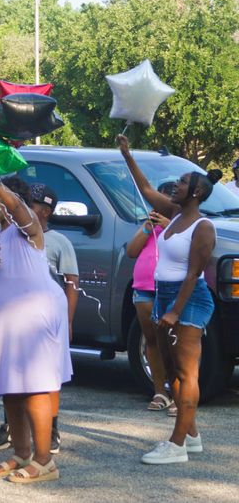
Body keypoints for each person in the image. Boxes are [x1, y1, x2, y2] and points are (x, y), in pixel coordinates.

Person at [117, 135, 219, 464]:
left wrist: (175, 311)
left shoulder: (203, 227)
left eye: (183, 182)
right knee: (172, 368)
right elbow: (146, 189)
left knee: (187, 373)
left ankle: (176, 446)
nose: (176, 184)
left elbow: (193, 274)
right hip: (163, 296)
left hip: (186, 301)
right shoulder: (174, 215)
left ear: (197, 193)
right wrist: (127, 154)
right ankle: (191, 436)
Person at [0, 177, 71, 484]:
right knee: (11, 388)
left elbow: (18, 208)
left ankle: (45, 461)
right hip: (6, 322)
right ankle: (22, 452)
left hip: (34, 316)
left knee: (35, 387)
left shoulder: (28, 226)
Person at [125, 183, 174, 412]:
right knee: (152, 341)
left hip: (169, 289)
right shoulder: (149, 227)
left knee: (174, 343)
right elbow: (132, 252)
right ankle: (159, 392)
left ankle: (178, 392)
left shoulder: (179, 228)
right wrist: (147, 228)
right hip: (144, 289)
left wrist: (169, 227)